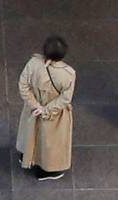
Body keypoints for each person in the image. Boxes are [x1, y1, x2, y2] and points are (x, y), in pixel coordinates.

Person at [17, 36, 75, 181]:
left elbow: (23, 86)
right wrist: (46, 110)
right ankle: (46, 170)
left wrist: (35, 106)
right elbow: (65, 98)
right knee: (51, 142)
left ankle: (26, 155)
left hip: (33, 109)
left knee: (29, 133)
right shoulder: (68, 74)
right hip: (54, 114)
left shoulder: (33, 63)